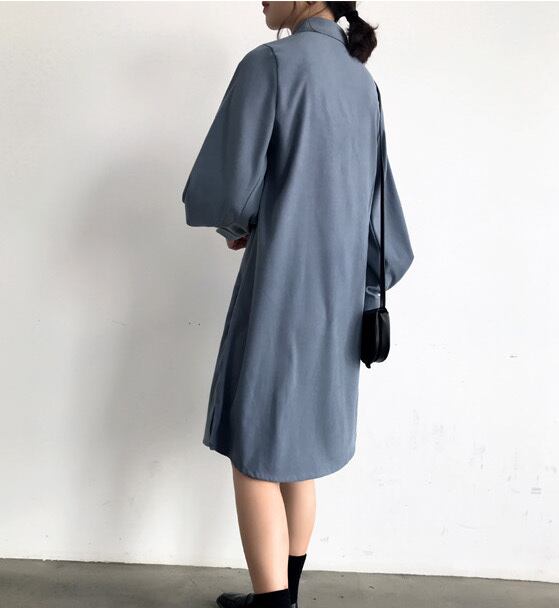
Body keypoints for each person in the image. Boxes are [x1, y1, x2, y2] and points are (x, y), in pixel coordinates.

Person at [181, 2, 414, 607]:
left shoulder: (272, 64)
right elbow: (380, 212)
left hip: (281, 289)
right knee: (298, 450)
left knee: (256, 452)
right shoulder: (362, 83)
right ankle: (283, 595)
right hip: (339, 298)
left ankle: (272, 603)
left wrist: (236, 224)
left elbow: (230, 189)